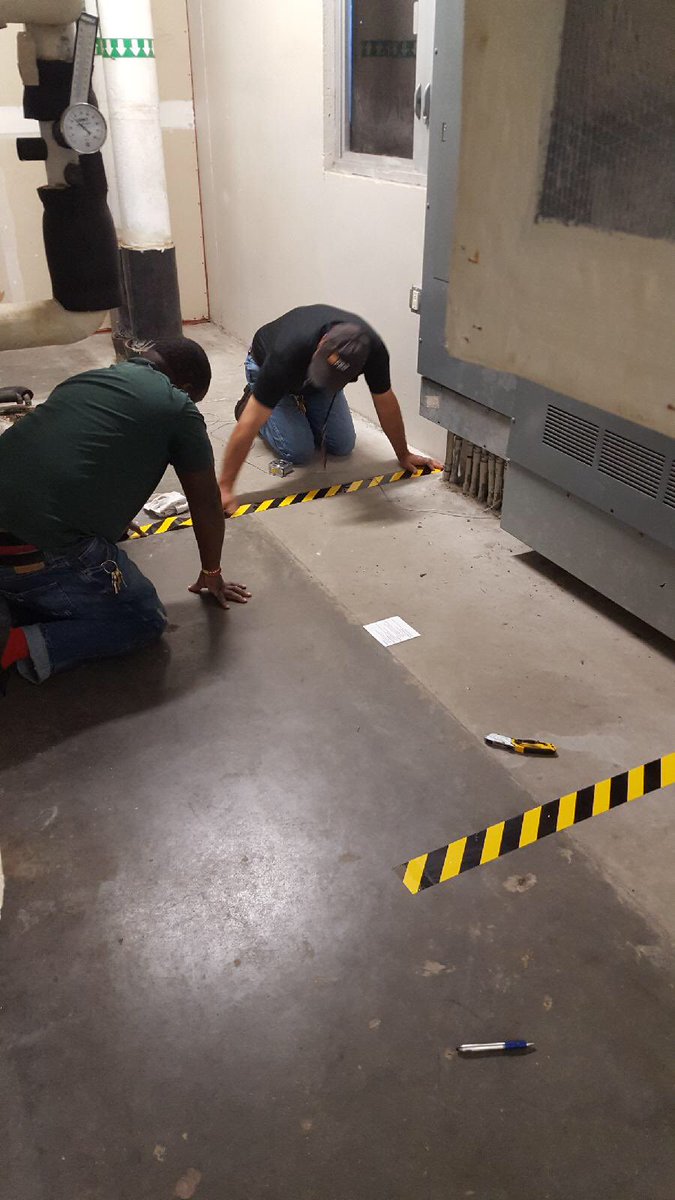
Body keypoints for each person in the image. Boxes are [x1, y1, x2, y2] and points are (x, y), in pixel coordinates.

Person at [0, 338, 250, 688]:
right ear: (187, 388)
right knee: (141, 619)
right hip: (30, 549)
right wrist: (212, 570)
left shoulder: (84, 380)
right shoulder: (176, 406)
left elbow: (71, 457)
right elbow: (206, 502)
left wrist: (107, 509)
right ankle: (12, 644)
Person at [219, 304, 442, 512]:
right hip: (264, 367)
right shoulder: (286, 353)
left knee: (343, 445)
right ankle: (252, 399)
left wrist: (403, 454)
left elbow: (385, 401)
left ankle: (300, 407)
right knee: (299, 451)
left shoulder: (371, 348)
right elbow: (249, 425)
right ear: (321, 343)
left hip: (311, 382)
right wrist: (225, 488)